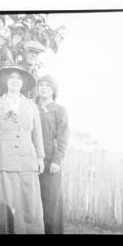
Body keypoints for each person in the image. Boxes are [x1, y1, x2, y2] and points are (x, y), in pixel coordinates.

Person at [0, 66, 45, 234]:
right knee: (8, 200)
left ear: (23, 82)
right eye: (11, 77)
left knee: (30, 202)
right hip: (4, 157)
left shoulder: (31, 106)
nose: (15, 80)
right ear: (5, 81)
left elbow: (38, 134)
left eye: (18, 78)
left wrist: (40, 157)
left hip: (28, 158)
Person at [36, 75, 69, 234]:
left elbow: (63, 138)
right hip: (32, 161)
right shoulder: (31, 107)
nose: (43, 88)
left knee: (50, 205)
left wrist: (57, 160)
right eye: (41, 85)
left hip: (50, 163)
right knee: (34, 202)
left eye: (47, 86)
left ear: (53, 90)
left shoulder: (59, 110)